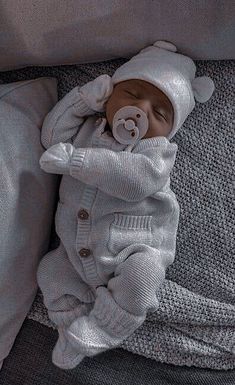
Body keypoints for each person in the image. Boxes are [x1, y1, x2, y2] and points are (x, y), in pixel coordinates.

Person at [37, 41, 214, 369]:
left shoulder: (156, 153)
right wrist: (82, 100)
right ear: (110, 95)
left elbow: (136, 182)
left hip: (132, 248)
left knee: (143, 277)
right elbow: (51, 138)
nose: (142, 111)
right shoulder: (89, 127)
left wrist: (77, 161)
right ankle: (70, 326)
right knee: (50, 271)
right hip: (74, 251)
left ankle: (102, 330)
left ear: (169, 129)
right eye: (132, 95)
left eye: (159, 112)